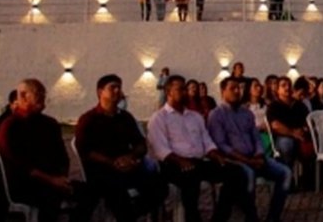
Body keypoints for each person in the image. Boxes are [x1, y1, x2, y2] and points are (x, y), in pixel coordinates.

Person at [74, 74, 168, 222]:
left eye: (119, 87)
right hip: (103, 170)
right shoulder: (89, 119)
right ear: (100, 92)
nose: (118, 91)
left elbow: (140, 144)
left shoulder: (125, 117)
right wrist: (113, 162)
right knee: (117, 192)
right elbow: (84, 150)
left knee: (160, 185)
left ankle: (133, 213)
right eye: (113, 88)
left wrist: (131, 157)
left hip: (128, 167)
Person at [147, 74, 241, 222]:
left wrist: (215, 155)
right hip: (172, 164)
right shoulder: (159, 118)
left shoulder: (195, 117)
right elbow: (160, 149)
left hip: (197, 162)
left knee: (235, 172)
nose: (185, 92)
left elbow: (207, 142)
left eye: (185, 89)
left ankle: (219, 218)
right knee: (191, 178)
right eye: (180, 89)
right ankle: (193, 218)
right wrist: (180, 161)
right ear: (168, 92)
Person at [0, 78, 90, 222]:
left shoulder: (49, 124)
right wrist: (51, 180)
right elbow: (20, 166)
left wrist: (62, 178)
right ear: (22, 95)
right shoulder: (10, 127)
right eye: (38, 93)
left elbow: (62, 157)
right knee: (50, 198)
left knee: (92, 192)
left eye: (43, 93)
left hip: (54, 180)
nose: (43, 97)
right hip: (26, 184)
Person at [208, 77, 291, 222]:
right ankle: (251, 217)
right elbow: (222, 145)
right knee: (248, 174)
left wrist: (259, 154)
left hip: (255, 157)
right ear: (223, 91)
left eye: (238, 88)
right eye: (232, 88)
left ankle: (273, 217)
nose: (237, 91)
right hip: (235, 161)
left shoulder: (246, 113)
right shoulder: (216, 115)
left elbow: (256, 137)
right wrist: (247, 160)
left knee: (285, 173)